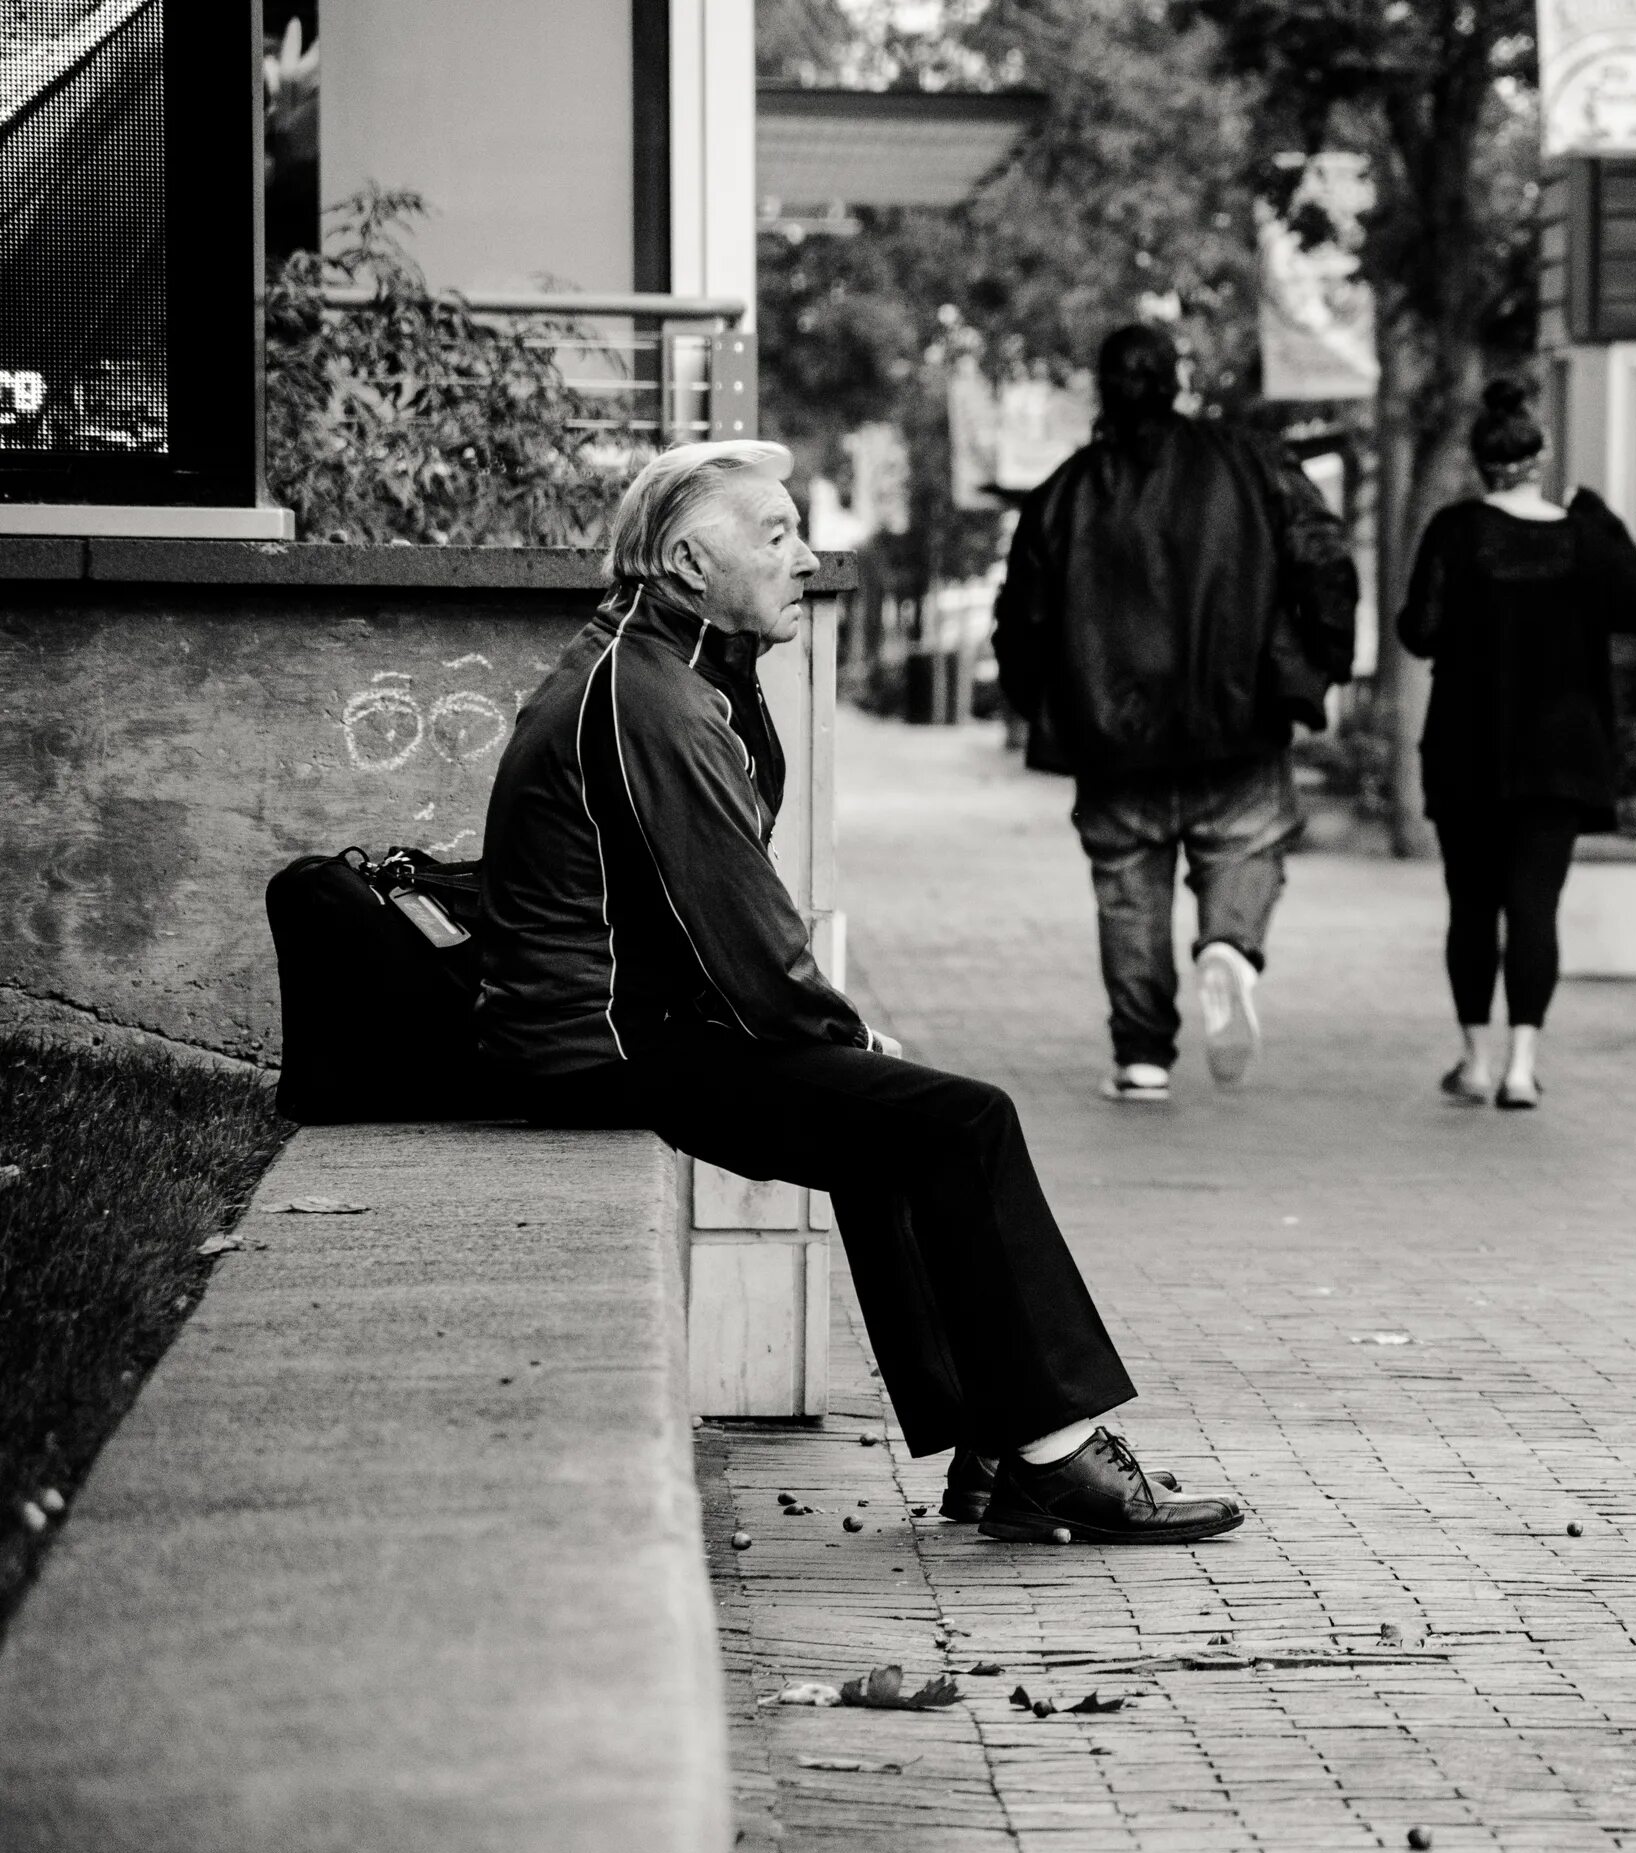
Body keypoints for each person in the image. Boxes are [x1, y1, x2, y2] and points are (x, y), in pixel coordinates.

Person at [476, 437, 1242, 1546]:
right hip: (603, 1040)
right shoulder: (653, 697)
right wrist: (846, 1032)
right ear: (689, 563)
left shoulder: (672, 666)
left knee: (897, 1119)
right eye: (776, 535)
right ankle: (1053, 1453)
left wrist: (843, 1041)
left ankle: (999, 1449)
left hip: (633, 1020)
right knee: (958, 1116)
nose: (807, 558)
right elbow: (737, 926)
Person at [996, 324, 1358, 1103]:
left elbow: (1021, 620)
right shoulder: (1253, 463)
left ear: (1104, 388)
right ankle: (1228, 948)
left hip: (1110, 733)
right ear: (1174, 380)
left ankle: (1143, 1057)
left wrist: (1050, 708)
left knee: (1128, 888)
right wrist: (1316, 667)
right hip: (1240, 718)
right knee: (1247, 844)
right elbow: (1325, 559)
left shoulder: (1063, 492)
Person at [1397, 379, 1636, 1109]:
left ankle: (1474, 1063)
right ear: (1540, 458)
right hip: (1560, 753)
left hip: (1466, 747)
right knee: (1535, 905)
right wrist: (1598, 514)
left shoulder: (1454, 532)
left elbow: (1417, 630)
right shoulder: (1581, 537)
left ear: (1480, 463)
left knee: (1472, 906)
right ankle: (1522, 1066)